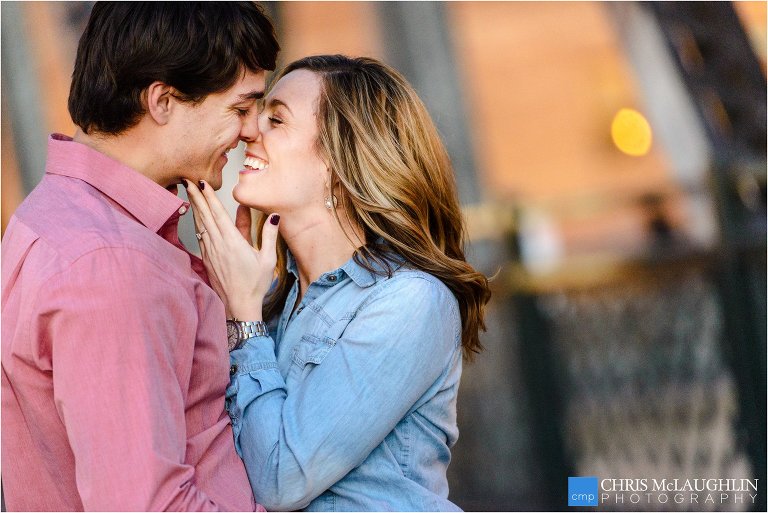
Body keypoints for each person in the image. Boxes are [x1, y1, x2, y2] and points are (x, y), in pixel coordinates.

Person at [1, 2, 279, 510]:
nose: (252, 130)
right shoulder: (109, 263)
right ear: (163, 101)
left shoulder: (65, 219)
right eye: (241, 108)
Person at [186, 55, 492, 511]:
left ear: (336, 160)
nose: (250, 131)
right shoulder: (270, 305)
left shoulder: (408, 302)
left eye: (276, 118)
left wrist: (243, 318)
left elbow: (280, 480)